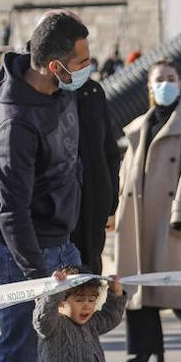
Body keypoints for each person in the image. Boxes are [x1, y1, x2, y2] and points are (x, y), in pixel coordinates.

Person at [0, 10, 92, 362]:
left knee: (64, 356)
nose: (89, 68)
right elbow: (10, 207)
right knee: (20, 357)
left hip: (61, 244)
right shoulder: (15, 119)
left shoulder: (61, 97)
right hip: (24, 254)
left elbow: (71, 164)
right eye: (82, 60)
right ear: (53, 66)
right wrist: (35, 275)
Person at [113, 62, 181, 362]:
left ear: (180, 83)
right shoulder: (138, 125)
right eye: (160, 80)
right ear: (149, 86)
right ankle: (142, 349)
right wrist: (115, 210)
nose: (165, 84)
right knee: (137, 285)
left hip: (169, 213)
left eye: (171, 78)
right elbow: (125, 172)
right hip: (136, 213)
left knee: (174, 281)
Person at [71, 71, 122, 275]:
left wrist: (110, 206)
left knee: (90, 287)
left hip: (93, 209)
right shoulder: (46, 94)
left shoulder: (93, 92)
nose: (86, 66)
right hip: (60, 218)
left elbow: (110, 152)